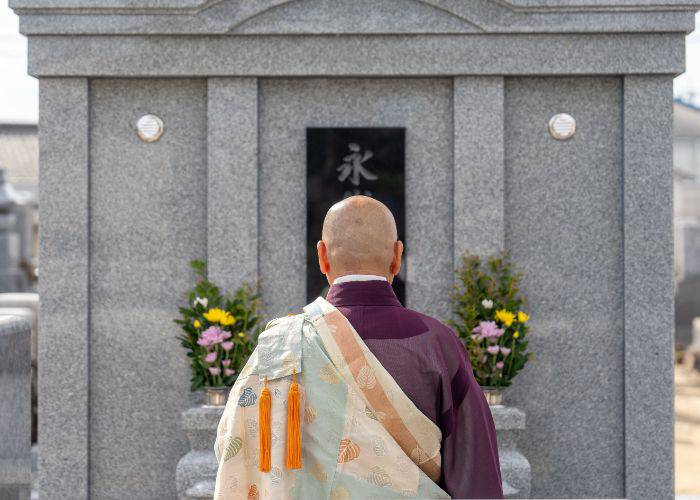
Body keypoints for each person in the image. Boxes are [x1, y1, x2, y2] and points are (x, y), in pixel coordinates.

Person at [213, 196, 503, 499]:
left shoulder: (281, 346)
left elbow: (235, 449)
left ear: (322, 256)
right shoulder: (437, 343)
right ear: (397, 256)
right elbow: (476, 471)